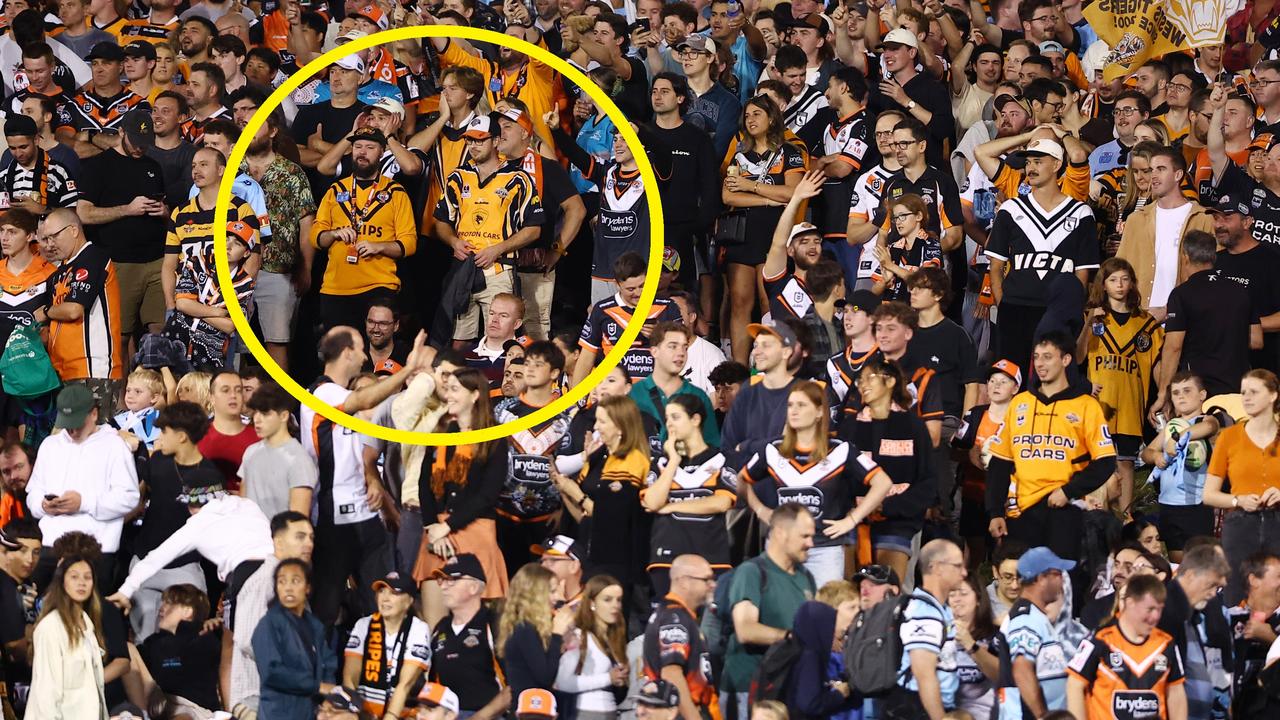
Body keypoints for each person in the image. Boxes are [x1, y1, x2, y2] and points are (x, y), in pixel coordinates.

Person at [303, 326, 429, 624]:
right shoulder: (322, 393)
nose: (363, 356)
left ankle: (380, 663)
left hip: (365, 513)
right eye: (359, 349)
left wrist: (373, 479)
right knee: (327, 604)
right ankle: (324, 668)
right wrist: (409, 370)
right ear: (347, 352)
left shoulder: (343, 396)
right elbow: (365, 401)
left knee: (381, 597)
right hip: (334, 517)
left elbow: (359, 451)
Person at [741, 379, 892, 585]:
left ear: (820, 412)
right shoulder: (773, 450)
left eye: (801, 405)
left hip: (825, 549)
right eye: (790, 405)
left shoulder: (840, 450)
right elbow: (742, 480)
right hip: (781, 547)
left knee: (824, 611)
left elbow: (882, 482)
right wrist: (761, 510)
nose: (793, 411)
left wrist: (852, 520)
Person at [986, 332, 1117, 565]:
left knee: (1061, 584)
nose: (1040, 363)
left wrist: (1069, 491)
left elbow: (1105, 462)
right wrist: (995, 511)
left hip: (1064, 510)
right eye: (1036, 357)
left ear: (1066, 360)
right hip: (1020, 512)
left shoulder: (1086, 405)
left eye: (1047, 357)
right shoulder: (1020, 403)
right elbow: (1000, 462)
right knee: (1023, 584)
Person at [985, 138, 1098, 375]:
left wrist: (1069, 311)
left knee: (1054, 382)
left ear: (1057, 164)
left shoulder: (1081, 213)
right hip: (1014, 310)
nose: (1031, 168)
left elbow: (1083, 273)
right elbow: (996, 266)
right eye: (1028, 162)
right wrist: (1003, 304)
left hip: (1058, 313)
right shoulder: (1011, 210)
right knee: (1009, 381)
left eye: (1038, 161)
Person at [435, 113, 544, 342]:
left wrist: (499, 248)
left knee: (502, 337)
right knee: (458, 340)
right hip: (464, 267)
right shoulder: (458, 176)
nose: (474, 145)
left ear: (495, 141)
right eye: (470, 140)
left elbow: (534, 229)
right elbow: (441, 220)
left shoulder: (518, 178)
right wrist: (453, 241)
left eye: (480, 139)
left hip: (499, 269)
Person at [414, 366, 510, 624]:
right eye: (447, 390)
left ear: (475, 394)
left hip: (476, 533)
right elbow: (423, 484)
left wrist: (447, 527)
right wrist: (432, 525)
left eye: (455, 389)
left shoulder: (495, 438)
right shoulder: (440, 434)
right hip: (436, 536)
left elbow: (488, 495)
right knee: (435, 628)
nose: (449, 396)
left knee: (480, 629)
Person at [25, 384, 140, 591]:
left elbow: (129, 498)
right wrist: (43, 505)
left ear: (94, 413)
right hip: (51, 546)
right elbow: (33, 492)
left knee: (91, 618)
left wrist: (84, 503)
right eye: (68, 424)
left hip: (97, 550)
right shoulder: (50, 445)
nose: (72, 430)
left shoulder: (114, 446)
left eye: (77, 423)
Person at [121, 401, 218, 641]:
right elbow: (139, 501)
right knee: (144, 640)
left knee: (190, 639)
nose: (159, 437)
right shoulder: (157, 462)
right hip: (145, 560)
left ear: (182, 437)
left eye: (164, 432)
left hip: (185, 568)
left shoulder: (209, 475)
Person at [312, 126, 419, 332]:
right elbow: (316, 238)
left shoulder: (395, 192)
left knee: (376, 356)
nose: (362, 152)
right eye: (358, 146)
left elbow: (409, 243)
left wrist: (378, 247)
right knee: (340, 357)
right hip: (336, 289)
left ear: (382, 152)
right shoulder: (336, 190)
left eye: (370, 147)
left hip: (379, 287)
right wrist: (333, 234)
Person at [1081, 257, 1164, 513]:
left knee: (1126, 462)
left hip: (1129, 402)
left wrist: (1162, 395)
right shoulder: (1093, 318)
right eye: (1113, 279)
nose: (1119, 285)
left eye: (1125, 279)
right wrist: (1088, 324)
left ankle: (1126, 515)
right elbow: (1077, 356)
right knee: (1097, 462)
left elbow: (1157, 363)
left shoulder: (1145, 323)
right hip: (1099, 403)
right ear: (1103, 285)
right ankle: (1098, 512)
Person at [843, 357, 936, 581]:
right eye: (859, 381)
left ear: (891, 381)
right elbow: (839, 477)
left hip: (898, 523)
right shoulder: (850, 427)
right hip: (854, 521)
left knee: (890, 591)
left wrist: (887, 506)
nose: (862, 385)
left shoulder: (914, 427)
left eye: (869, 378)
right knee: (847, 590)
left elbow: (927, 482)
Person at [722, 504, 818, 720]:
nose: (810, 544)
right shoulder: (752, 572)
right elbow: (745, 629)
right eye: (804, 536)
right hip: (750, 688)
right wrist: (790, 637)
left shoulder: (806, 577)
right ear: (780, 533)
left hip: (787, 687)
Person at [1153, 227, 1262, 403]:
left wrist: (1162, 394)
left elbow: (1173, 347)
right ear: (1213, 257)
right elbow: (1256, 340)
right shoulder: (1240, 291)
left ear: (1185, 257)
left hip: (1198, 393)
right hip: (1237, 390)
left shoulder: (1181, 294)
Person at [554, 395, 651, 593]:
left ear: (620, 426)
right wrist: (563, 489)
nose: (596, 427)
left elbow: (613, 519)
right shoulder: (599, 457)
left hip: (619, 559)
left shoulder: (633, 461)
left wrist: (577, 494)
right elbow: (585, 516)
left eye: (603, 421)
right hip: (590, 553)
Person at [642, 395, 735, 599]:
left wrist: (673, 507)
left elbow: (721, 502)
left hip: (712, 558)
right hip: (667, 558)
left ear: (695, 420)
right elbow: (651, 502)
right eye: (667, 419)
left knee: (709, 627)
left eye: (676, 417)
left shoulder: (722, 459)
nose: (670, 424)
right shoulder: (661, 463)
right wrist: (673, 461)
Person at [228, 511, 315, 716]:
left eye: (311, 537)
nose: (309, 544)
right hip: (257, 701)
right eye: (300, 537)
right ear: (279, 542)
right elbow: (248, 639)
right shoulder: (264, 582)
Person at [36, 209, 124, 409]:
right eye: (46, 239)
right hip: (62, 371)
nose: (50, 244)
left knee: (94, 437)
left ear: (73, 230)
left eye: (54, 237)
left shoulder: (93, 258)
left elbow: (74, 309)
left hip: (92, 370)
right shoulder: (58, 272)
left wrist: (46, 311)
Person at [1067, 574, 1188, 720]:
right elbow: (1075, 685)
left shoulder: (1166, 644)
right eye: (1150, 609)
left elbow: (1176, 692)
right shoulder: (1100, 641)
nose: (1156, 616)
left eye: (1159, 609)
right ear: (1130, 603)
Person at [1115, 146, 1213, 317]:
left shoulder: (1204, 218)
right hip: (1139, 319)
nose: (1153, 176)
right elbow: (1119, 270)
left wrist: (1169, 311)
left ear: (1178, 175)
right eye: (1151, 170)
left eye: (1161, 169)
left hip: (1185, 321)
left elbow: (1211, 278)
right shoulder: (1136, 220)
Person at [1143, 373, 1218, 562]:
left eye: (1187, 391)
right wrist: (1156, 455)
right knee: (1178, 565)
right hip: (1169, 506)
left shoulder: (1206, 420)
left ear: (1202, 395)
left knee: (1199, 565)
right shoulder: (1170, 427)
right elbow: (1146, 452)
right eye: (1175, 393)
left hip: (1196, 506)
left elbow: (1209, 428)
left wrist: (1177, 438)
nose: (1181, 396)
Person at [888, 539, 965, 720]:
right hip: (917, 708)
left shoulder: (939, 608)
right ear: (937, 567)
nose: (964, 572)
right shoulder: (924, 612)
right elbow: (924, 675)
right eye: (958, 566)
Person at [251, 558, 338, 720]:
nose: (288, 588)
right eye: (282, 582)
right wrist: (317, 687)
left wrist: (327, 697)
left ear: (308, 588)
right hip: (278, 713)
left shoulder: (315, 625)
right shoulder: (269, 624)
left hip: (308, 711)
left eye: (295, 581)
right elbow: (272, 672)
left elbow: (328, 663)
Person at [427, 554, 509, 720]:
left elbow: (514, 686)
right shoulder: (440, 628)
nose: (443, 587)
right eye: (442, 580)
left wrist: (478, 718)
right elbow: (433, 685)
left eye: (452, 580)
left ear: (473, 587)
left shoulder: (494, 623)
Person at [27, 554, 107, 718]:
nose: (82, 582)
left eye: (87, 577)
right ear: (62, 582)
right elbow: (46, 691)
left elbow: (97, 692)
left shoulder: (88, 626)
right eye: (74, 576)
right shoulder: (50, 627)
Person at [343, 572, 432, 718]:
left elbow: (406, 684)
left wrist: (390, 716)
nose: (385, 598)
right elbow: (350, 678)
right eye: (381, 591)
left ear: (409, 601)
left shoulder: (418, 629)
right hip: (364, 712)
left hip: (403, 714)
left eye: (394, 593)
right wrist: (356, 714)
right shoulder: (364, 625)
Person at [1002, 547, 1076, 718]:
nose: (1061, 581)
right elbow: (1021, 669)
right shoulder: (1026, 618)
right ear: (1041, 578)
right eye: (1057, 574)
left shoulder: (1036, 616)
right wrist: (1042, 716)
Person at [643, 553, 719, 720]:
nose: (712, 585)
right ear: (684, 581)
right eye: (706, 580)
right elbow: (672, 674)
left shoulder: (675, 614)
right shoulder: (674, 617)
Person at [721, 320, 803, 470]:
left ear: (786, 352)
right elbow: (728, 449)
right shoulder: (746, 393)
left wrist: (747, 446)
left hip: (789, 484)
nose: (756, 352)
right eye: (756, 345)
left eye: (766, 345)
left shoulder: (804, 393)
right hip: (747, 481)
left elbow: (797, 448)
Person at [133, 583, 220, 713]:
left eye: (169, 604)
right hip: (161, 707)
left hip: (197, 711)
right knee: (128, 651)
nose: (162, 608)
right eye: (163, 603)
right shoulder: (152, 643)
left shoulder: (205, 638)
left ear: (187, 611)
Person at [630, 323, 719, 448]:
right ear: (654, 351)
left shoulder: (698, 396)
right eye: (673, 346)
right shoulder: (634, 394)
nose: (681, 353)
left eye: (685, 347)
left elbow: (712, 447)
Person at [554, 574, 629, 719]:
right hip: (586, 712)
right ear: (592, 603)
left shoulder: (613, 639)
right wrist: (608, 678)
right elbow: (563, 682)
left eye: (618, 600)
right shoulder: (579, 636)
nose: (615, 605)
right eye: (607, 600)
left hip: (610, 712)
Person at [240, 382, 317, 520]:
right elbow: (243, 503)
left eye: (265, 413)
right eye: (256, 412)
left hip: (279, 539)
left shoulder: (299, 460)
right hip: (249, 537)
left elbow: (298, 519)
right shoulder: (250, 452)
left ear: (284, 416)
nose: (257, 419)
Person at [0, 114, 77, 215]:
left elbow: (71, 214)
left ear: (36, 140)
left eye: (23, 147)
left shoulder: (59, 172)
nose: (18, 153)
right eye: (12, 148)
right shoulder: (2, 177)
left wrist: (42, 209)